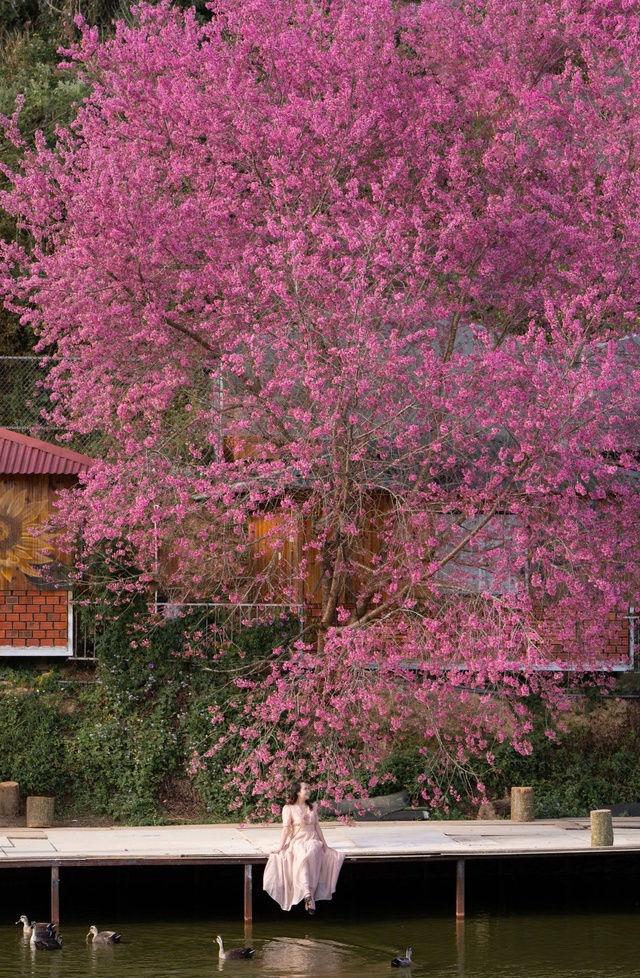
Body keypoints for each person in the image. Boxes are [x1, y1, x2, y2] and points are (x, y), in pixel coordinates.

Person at [263, 781, 344, 914]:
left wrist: (325, 844)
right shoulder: (288, 808)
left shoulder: (313, 807)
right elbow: (286, 829)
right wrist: (280, 847)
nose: (308, 791)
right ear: (297, 792)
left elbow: (317, 826)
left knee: (312, 850)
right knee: (301, 853)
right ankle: (307, 893)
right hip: (298, 840)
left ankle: (308, 894)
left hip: (312, 838)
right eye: (305, 789)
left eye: (308, 788)